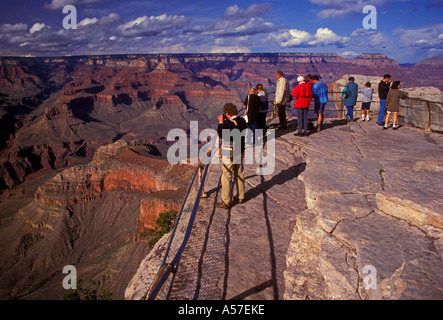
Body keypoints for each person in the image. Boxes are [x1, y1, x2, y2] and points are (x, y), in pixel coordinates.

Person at [215, 103, 247, 209]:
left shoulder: (232, 124)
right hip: (240, 150)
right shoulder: (242, 120)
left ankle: (226, 201)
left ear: (226, 113)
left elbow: (221, 133)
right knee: (239, 172)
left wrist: (220, 123)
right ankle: (240, 196)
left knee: (227, 175)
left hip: (231, 151)